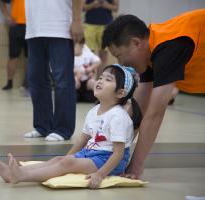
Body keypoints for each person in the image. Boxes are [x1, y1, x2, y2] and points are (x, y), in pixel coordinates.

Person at [0, 64, 142, 188]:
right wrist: (66, 157)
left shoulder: (118, 117)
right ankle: (13, 173)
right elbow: (81, 141)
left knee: (67, 162)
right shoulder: (94, 111)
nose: (100, 80)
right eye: (100, 77)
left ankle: (21, 176)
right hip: (91, 154)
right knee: (59, 160)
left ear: (121, 93)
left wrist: (100, 174)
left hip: (109, 160)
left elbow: (118, 153)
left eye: (108, 79)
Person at [102, 9, 205, 179]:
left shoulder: (169, 47)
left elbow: (154, 115)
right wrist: (109, 154)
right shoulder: (151, 51)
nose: (121, 64)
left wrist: (134, 167)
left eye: (119, 56)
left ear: (136, 43)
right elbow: (138, 112)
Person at [23, 0, 84, 141]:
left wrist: (76, 20)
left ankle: (63, 129)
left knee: (62, 80)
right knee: (36, 79)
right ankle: (43, 126)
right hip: (33, 28)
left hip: (59, 27)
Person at [0, 0, 28, 91]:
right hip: (16, 26)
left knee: (30, 57)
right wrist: (7, 16)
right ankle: (9, 83)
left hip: (32, 25)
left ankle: (27, 83)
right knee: (13, 56)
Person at [82, 0, 119, 65]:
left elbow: (116, 8)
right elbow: (82, 7)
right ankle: (89, 74)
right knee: (88, 53)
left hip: (106, 25)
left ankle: (102, 75)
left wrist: (106, 5)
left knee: (103, 54)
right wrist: (93, 4)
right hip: (89, 25)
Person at [74, 37, 100, 102]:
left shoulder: (87, 53)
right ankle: (74, 95)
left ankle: (100, 97)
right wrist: (75, 71)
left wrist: (91, 68)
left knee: (92, 82)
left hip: (86, 81)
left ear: (82, 46)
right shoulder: (69, 55)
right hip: (77, 82)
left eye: (75, 46)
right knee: (75, 80)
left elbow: (98, 61)